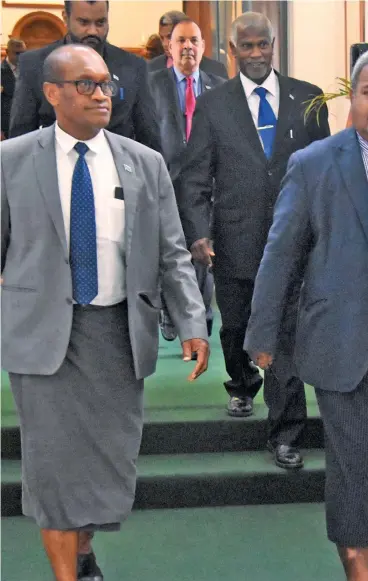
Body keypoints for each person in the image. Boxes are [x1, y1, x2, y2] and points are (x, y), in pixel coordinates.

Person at [1, 44, 209, 581]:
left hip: (118, 334)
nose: (102, 94)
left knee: (108, 457)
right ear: (52, 94)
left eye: (106, 85)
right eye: (87, 85)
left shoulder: (145, 162)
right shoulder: (12, 160)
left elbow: (171, 252)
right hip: (42, 336)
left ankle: (84, 544)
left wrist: (192, 321)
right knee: (51, 463)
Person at [245, 46, 368, 581]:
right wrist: (261, 336)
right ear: (351, 99)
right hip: (346, 340)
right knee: (354, 460)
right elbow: (280, 255)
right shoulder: (315, 165)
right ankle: (358, 576)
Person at [176, 12, 329, 470]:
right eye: (248, 47)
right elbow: (195, 176)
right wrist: (199, 233)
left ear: (275, 44)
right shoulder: (214, 105)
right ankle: (241, 383)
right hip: (234, 238)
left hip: (294, 241)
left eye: (264, 45)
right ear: (231, 50)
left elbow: (326, 170)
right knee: (237, 326)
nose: (257, 54)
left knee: (283, 337)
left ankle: (285, 433)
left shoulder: (309, 98)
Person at [150, 18, 226, 342]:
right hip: (164, 182)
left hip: (204, 187)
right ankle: (169, 310)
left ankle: (201, 316)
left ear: (203, 46)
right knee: (169, 252)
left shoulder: (219, 86)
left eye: (194, 40)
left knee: (202, 252)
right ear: (170, 46)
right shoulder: (151, 84)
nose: (188, 47)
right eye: (181, 41)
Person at [9, 0, 161, 152]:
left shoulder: (133, 67)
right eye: (84, 22)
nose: (93, 31)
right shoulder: (34, 65)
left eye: (100, 22)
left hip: (117, 169)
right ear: (65, 17)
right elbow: (20, 139)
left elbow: (149, 137)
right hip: (52, 167)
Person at [148, 10, 228, 80]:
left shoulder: (216, 70)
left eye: (169, 37)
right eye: (162, 38)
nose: (165, 44)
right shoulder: (150, 69)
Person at [0, 38, 26, 139]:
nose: (21, 57)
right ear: (7, 52)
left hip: (26, 127)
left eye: (23, 53)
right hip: (6, 128)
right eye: (17, 53)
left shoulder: (28, 70)